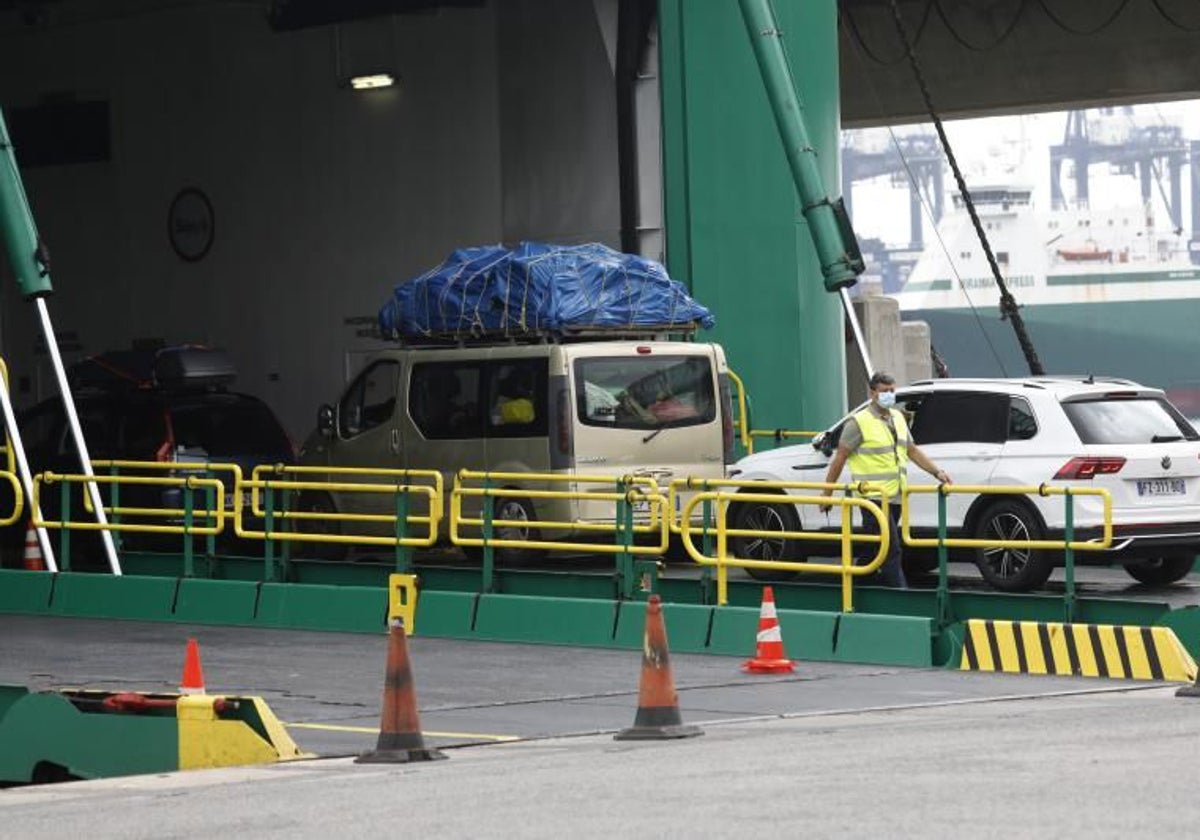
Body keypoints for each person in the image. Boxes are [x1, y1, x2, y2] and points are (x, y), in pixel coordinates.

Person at [819, 371, 951, 588]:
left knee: (875, 548)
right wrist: (827, 494)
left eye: (892, 391)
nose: (889, 395)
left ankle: (854, 589)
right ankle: (901, 596)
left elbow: (912, 451)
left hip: (895, 495)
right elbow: (839, 458)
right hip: (872, 496)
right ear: (872, 393)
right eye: (884, 391)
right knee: (891, 548)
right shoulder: (859, 422)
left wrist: (937, 472)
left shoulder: (898, 418)